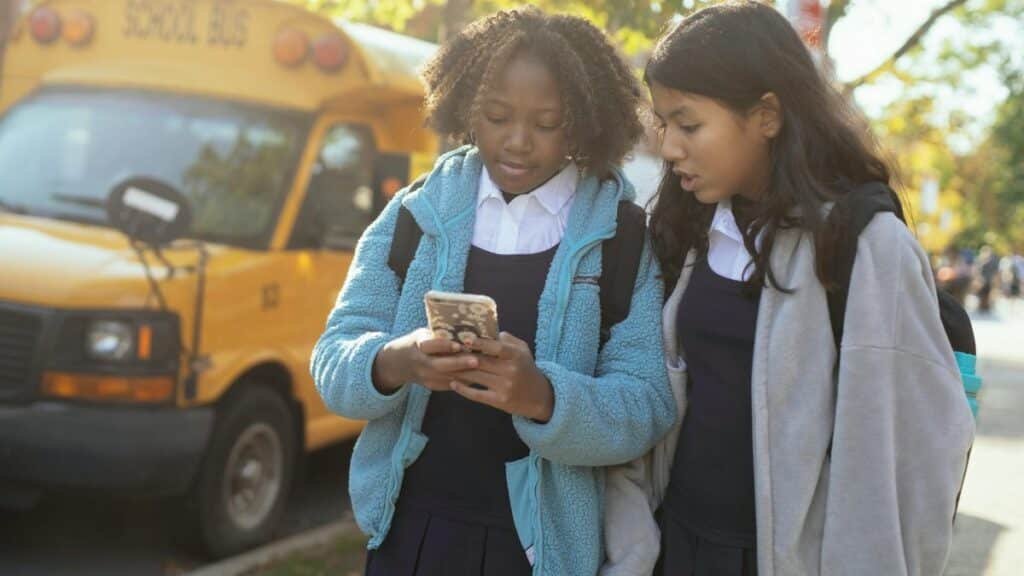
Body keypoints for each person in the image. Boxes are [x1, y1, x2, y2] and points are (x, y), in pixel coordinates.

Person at [602, 3, 975, 575]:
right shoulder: (688, 231)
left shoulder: (865, 244)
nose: (671, 147)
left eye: (690, 123)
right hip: (676, 550)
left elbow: (907, 466)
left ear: (767, 115)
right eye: (664, 124)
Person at [311, 8, 676, 576]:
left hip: (543, 551)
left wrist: (542, 397)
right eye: (497, 116)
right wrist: (392, 362)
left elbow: (646, 407)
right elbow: (332, 361)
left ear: (581, 122)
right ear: (466, 108)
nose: (517, 141)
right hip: (412, 531)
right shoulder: (412, 214)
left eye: (547, 122)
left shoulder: (622, 239)